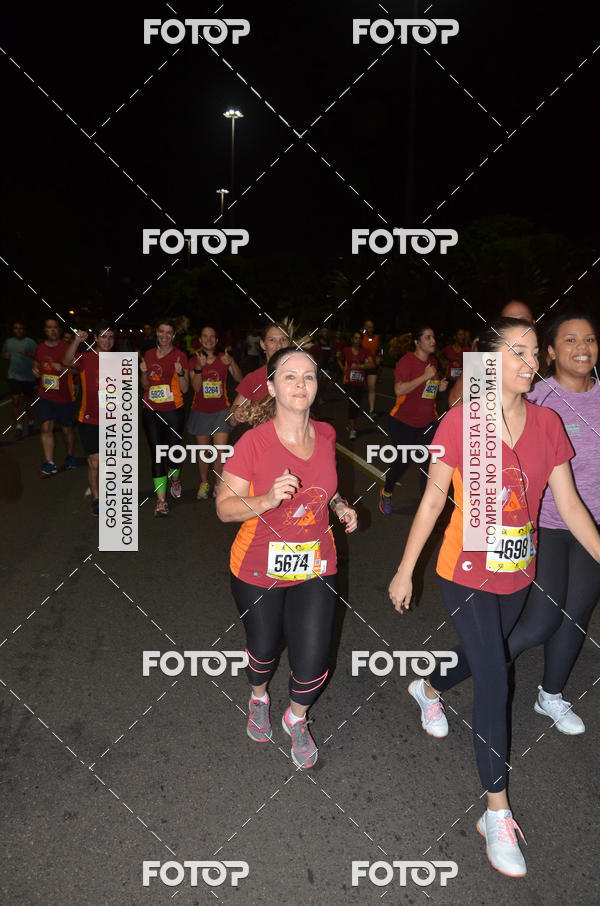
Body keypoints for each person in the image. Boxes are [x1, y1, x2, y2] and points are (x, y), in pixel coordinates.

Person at [388, 316, 600, 877]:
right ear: (488, 363)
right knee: (496, 677)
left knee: (494, 654)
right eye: (518, 352)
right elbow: (433, 501)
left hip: (516, 570)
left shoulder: (549, 423)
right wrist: (406, 569)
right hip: (463, 572)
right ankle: (495, 813)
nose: (531, 361)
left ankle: (428, 685)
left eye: (534, 352)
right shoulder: (462, 423)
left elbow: (571, 506)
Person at [217, 347, 357, 768]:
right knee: (263, 649)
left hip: (315, 562)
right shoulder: (253, 444)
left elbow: (325, 487)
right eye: (290, 377)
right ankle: (258, 696)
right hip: (257, 565)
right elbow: (224, 508)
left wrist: (340, 506)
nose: (300, 385)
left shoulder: (327, 434)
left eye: (309, 377)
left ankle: (297, 718)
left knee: (314, 657)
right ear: (273, 386)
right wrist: (267, 497)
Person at [507, 310, 600, 733]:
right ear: (549, 352)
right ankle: (463, 667)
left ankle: (552, 695)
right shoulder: (537, 398)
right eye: (569, 340)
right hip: (543, 523)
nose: (582, 348)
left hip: (591, 525)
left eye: (590, 339)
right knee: (539, 621)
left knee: (577, 613)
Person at [379, 326, 448, 514]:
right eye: (428, 337)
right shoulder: (407, 361)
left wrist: (438, 386)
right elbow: (399, 390)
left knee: (429, 463)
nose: (433, 340)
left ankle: (426, 505)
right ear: (417, 342)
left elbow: (428, 391)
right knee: (401, 461)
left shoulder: (433, 362)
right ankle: (387, 492)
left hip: (428, 422)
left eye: (433, 337)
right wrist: (424, 376)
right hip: (403, 422)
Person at [63, 321, 116, 515]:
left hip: (113, 420)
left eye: (111, 337)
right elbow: (67, 361)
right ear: (95, 338)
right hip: (89, 419)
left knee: (111, 462)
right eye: (103, 336)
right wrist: (76, 341)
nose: (107, 341)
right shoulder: (86, 358)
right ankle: (97, 498)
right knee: (94, 461)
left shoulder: (121, 361)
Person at [139, 320, 188, 516]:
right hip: (151, 410)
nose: (164, 335)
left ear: (173, 335)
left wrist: (181, 372)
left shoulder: (180, 356)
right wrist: (143, 372)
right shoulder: (149, 355)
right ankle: (161, 501)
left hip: (173, 410)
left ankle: (175, 478)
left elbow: (185, 388)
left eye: (168, 332)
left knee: (174, 451)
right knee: (157, 454)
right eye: (161, 331)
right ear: (157, 333)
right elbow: (145, 385)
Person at [188, 326, 242, 500]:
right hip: (200, 411)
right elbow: (195, 387)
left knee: (220, 451)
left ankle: (219, 484)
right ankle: (204, 483)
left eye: (212, 337)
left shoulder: (224, 358)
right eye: (205, 336)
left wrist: (231, 362)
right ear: (200, 339)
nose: (208, 340)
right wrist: (198, 367)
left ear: (216, 340)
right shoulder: (194, 359)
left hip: (221, 410)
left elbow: (240, 379)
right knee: (204, 451)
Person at [448, 303, 534, 408]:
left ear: (533, 323)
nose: (515, 327)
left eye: (522, 321)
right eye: (507, 322)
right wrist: (475, 356)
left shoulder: (547, 360)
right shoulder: (491, 362)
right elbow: (456, 402)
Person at [33, 318, 77, 476]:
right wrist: (36, 369)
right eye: (49, 327)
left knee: (67, 430)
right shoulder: (39, 348)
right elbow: (37, 362)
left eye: (55, 327)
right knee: (46, 428)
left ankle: (70, 455)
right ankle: (50, 463)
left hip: (65, 397)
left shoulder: (67, 347)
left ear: (59, 330)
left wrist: (64, 367)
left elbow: (77, 370)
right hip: (45, 395)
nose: (52, 330)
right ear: (45, 330)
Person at [229, 324, 290, 425]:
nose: (279, 345)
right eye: (272, 340)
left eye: (283, 339)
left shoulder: (301, 374)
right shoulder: (253, 379)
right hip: (262, 439)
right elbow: (231, 421)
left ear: (289, 343)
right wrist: (236, 413)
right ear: (262, 344)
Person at [2, 321, 37, 439]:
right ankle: (19, 427)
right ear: (13, 330)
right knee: (15, 401)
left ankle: (31, 422)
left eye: (21, 328)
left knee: (28, 402)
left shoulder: (30, 342)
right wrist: (5, 355)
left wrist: (27, 353)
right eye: (16, 328)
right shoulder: (8, 342)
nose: (18, 330)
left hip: (28, 376)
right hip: (14, 376)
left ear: (24, 330)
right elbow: (4, 353)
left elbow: (38, 357)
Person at [338, 331, 371, 439]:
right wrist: (343, 367)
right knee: (352, 404)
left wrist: (360, 366)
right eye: (355, 338)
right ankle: (352, 429)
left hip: (360, 383)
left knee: (356, 405)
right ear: (352, 339)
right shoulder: (346, 350)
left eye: (359, 338)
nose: (357, 340)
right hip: (348, 382)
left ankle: (351, 424)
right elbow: (338, 358)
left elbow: (372, 364)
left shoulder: (365, 351)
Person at [362, 319, 382, 417]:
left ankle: (371, 410)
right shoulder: (361, 337)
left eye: (372, 327)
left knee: (372, 387)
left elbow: (380, 350)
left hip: (372, 366)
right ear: (365, 327)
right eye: (368, 327)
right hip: (361, 366)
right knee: (359, 389)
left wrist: (379, 357)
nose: (370, 329)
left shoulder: (377, 338)